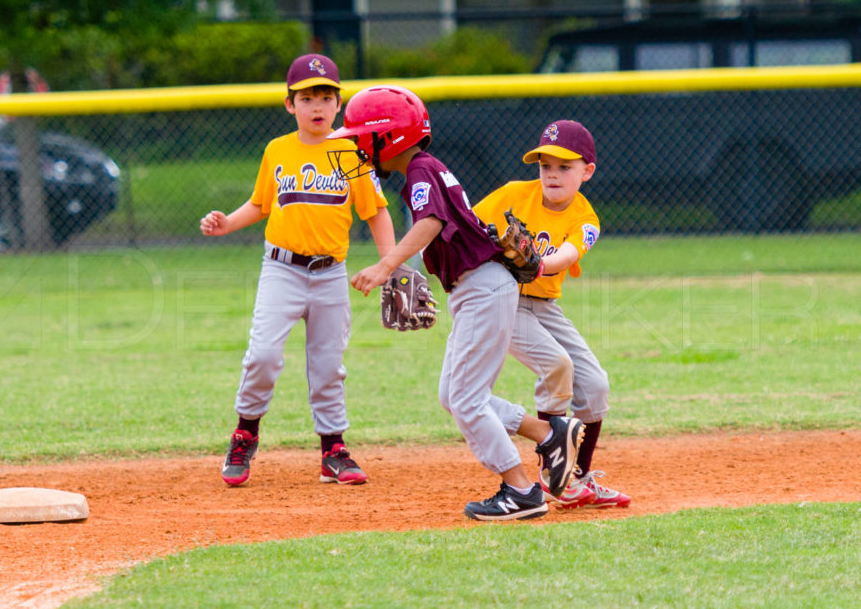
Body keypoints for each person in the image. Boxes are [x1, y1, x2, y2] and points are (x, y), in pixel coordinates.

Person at [328, 85, 585, 521]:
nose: (355, 147)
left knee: (466, 399)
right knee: (454, 394)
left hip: (483, 288)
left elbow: (431, 220)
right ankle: (547, 434)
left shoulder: (421, 172)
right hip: (478, 288)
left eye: (359, 138)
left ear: (387, 137)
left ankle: (521, 490)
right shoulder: (426, 170)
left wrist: (386, 266)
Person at [199, 54, 395, 487]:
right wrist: (228, 223)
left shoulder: (352, 153)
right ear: (291, 105)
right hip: (281, 271)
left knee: (328, 365)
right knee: (264, 356)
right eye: (308, 98)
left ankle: (333, 450)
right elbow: (261, 203)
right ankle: (245, 433)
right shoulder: (278, 150)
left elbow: (376, 212)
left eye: (326, 96)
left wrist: (390, 265)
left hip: (331, 274)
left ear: (339, 103)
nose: (318, 106)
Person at [473, 119, 631, 509]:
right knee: (557, 364)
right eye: (546, 166)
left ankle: (575, 480)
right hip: (501, 299)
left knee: (595, 384)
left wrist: (539, 262)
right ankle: (550, 472)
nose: (553, 174)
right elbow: (467, 225)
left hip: (544, 303)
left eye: (564, 166)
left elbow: (568, 254)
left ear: (587, 171)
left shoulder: (586, 217)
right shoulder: (513, 194)